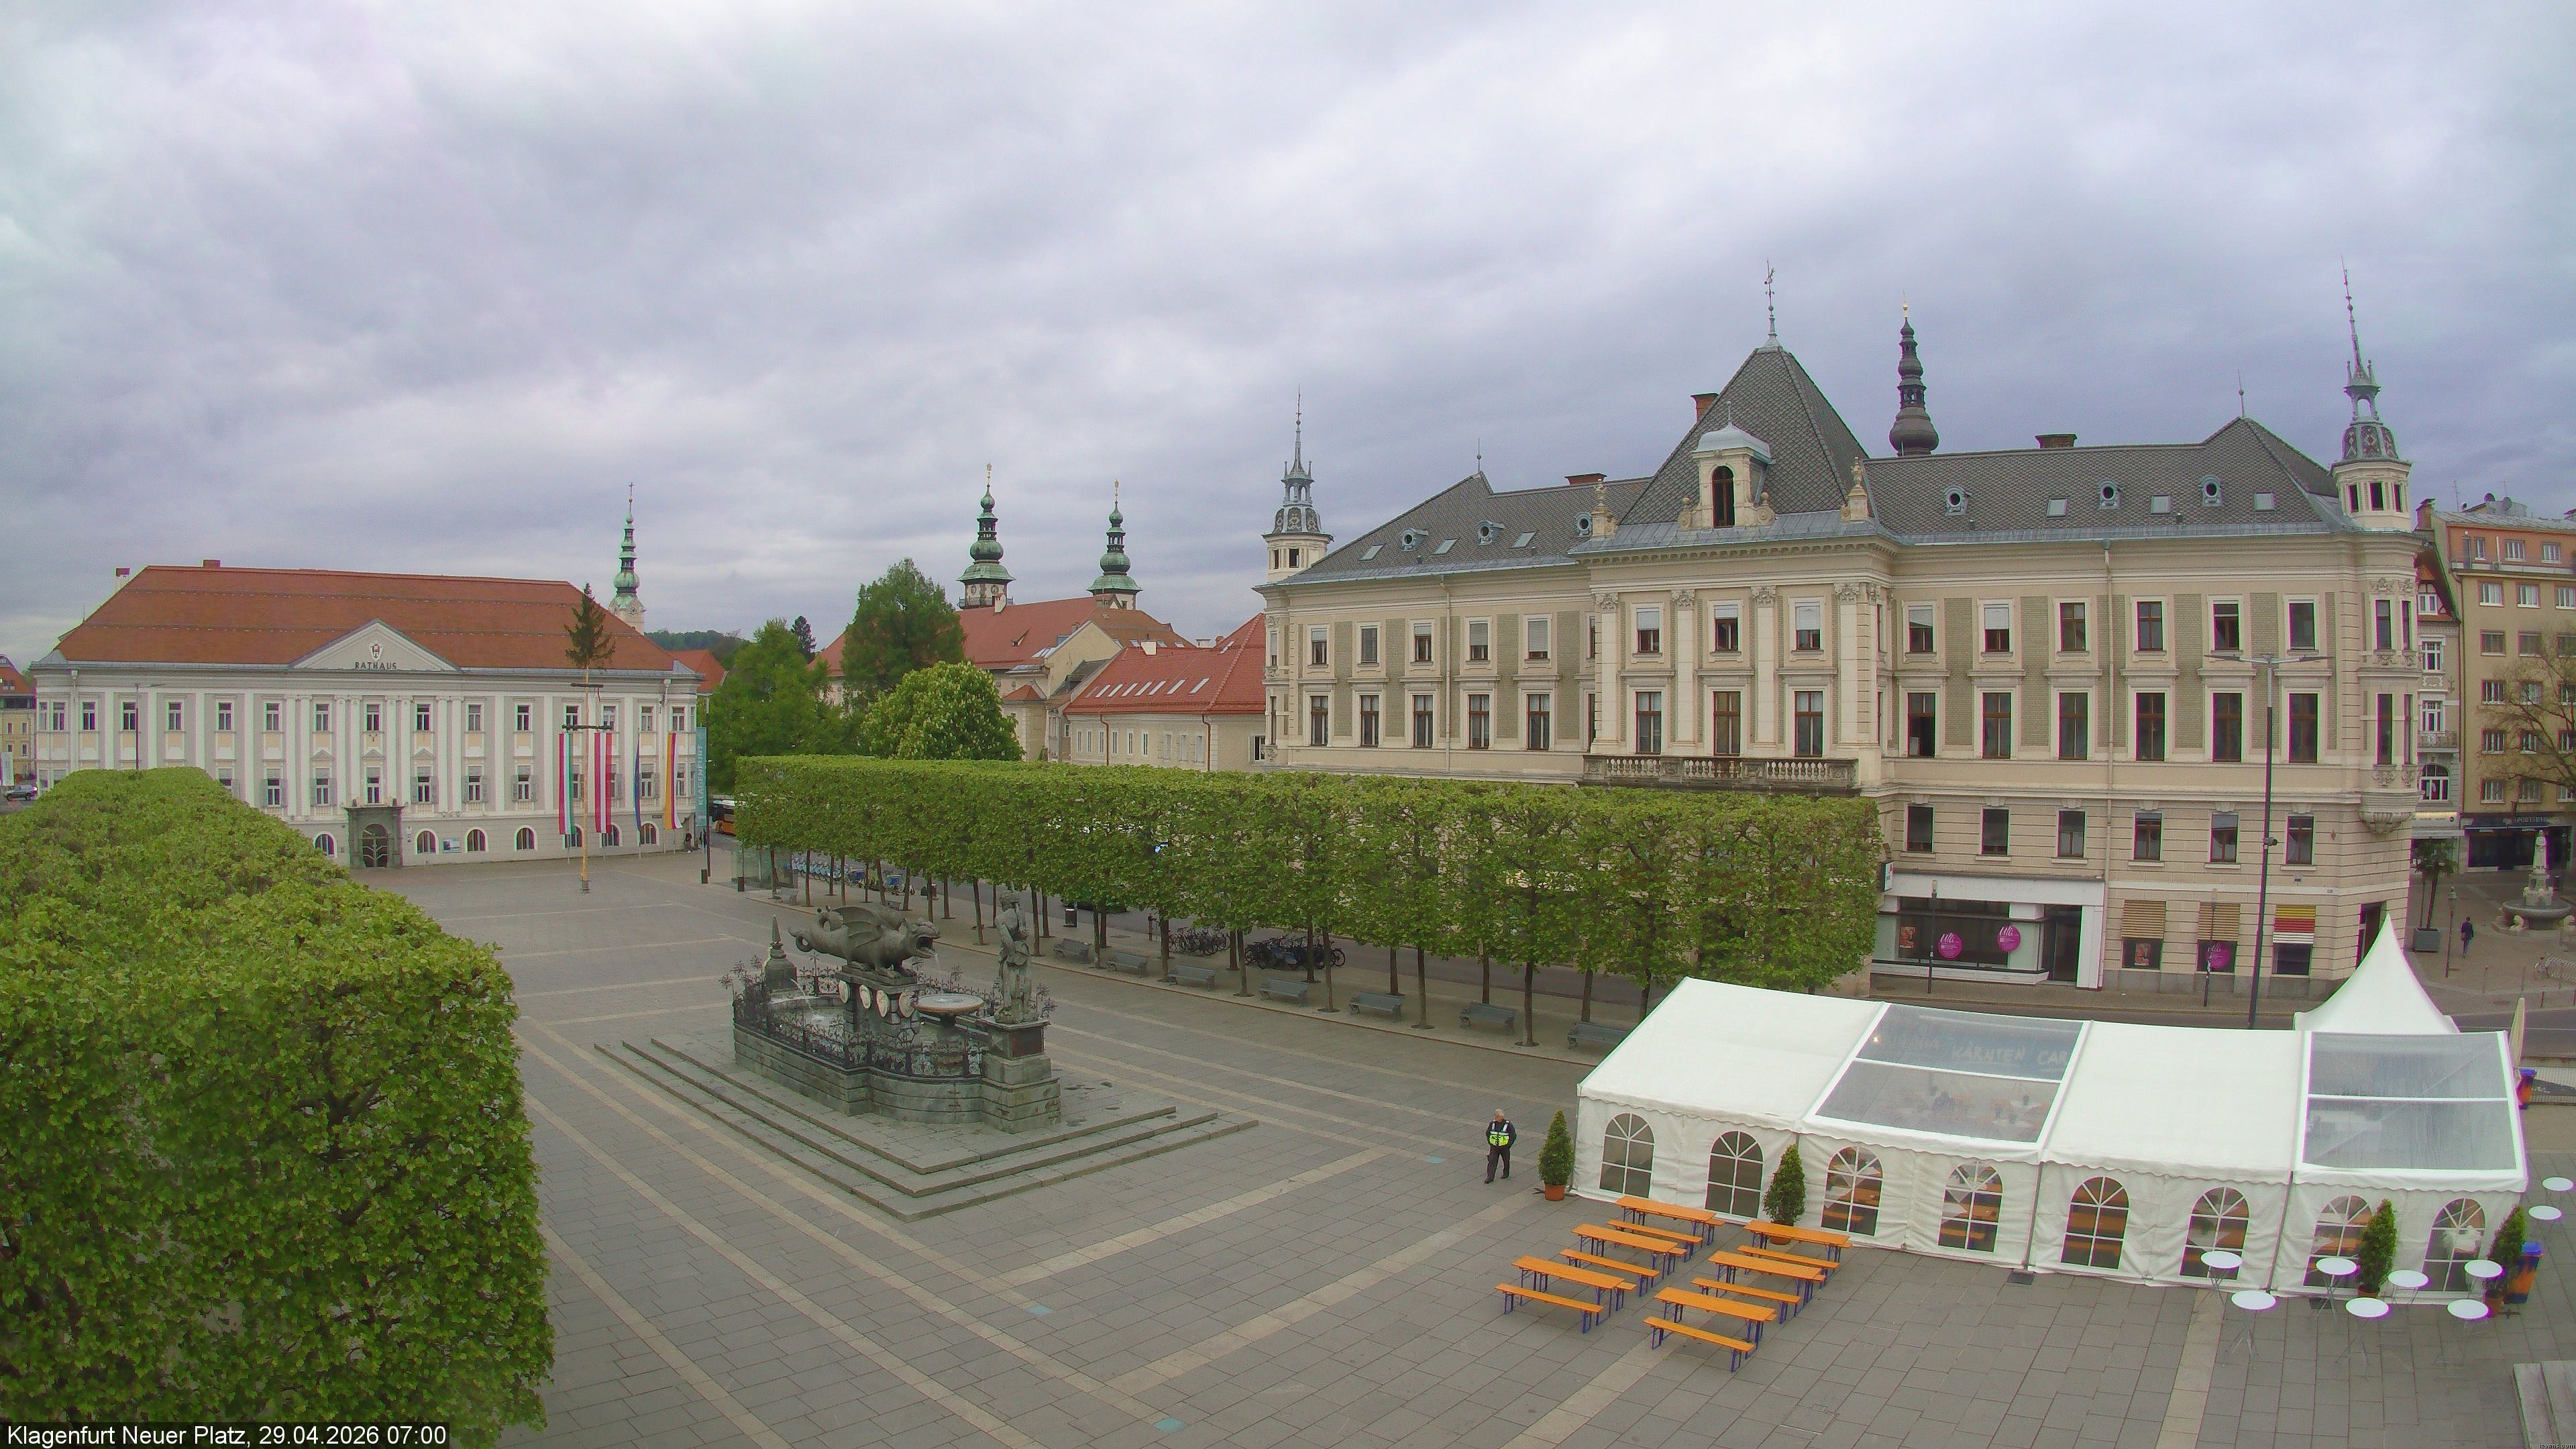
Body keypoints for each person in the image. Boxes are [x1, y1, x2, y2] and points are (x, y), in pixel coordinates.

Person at [1485, 1110, 1517, 1183]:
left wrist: (1509, 1145)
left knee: (1506, 1161)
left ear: (1502, 1117)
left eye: (1498, 1116)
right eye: (1495, 1116)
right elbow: (1488, 1133)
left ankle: (1506, 1173)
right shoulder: (1492, 1124)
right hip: (1494, 1147)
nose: (1496, 1118)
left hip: (1505, 1148)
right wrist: (1490, 1142)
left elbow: (1513, 1136)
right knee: (1492, 1161)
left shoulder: (1508, 1125)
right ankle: (1490, 1177)